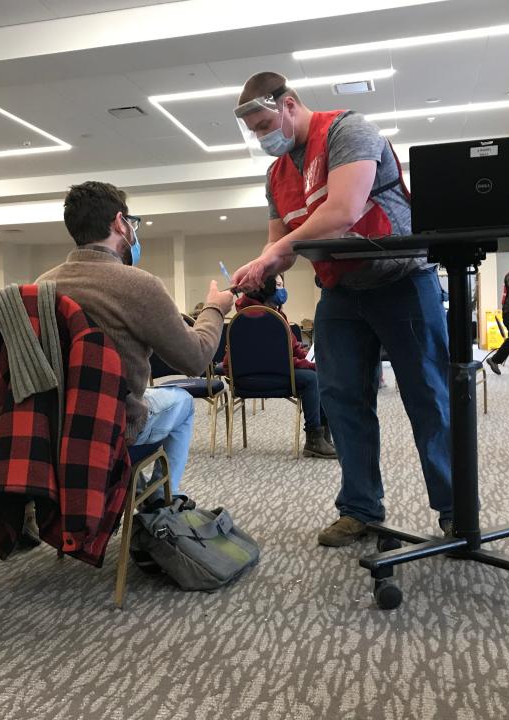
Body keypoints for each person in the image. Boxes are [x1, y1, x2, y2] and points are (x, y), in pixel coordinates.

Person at [230, 71, 453, 546]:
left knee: (428, 396)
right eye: (253, 131)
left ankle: (455, 510)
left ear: (289, 104)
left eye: (264, 123)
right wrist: (260, 269)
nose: (261, 136)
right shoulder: (276, 175)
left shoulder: (348, 131)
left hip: (401, 281)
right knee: (342, 399)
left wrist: (273, 253)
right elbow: (281, 244)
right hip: (341, 292)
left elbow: (343, 210)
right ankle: (360, 509)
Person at [39, 181, 235, 498]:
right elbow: (196, 361)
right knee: (183, 402)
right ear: (119, 223)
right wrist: (214, 308)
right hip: (116, 425)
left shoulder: (41, 286)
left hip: (53, 427)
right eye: (132, 222)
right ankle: (159, 506)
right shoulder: (139, 285)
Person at [229, 274, 336, 459]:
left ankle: (323, 438)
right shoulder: (263, 317)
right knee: (313, 378)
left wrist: (309, 359)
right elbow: (274, 359)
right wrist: (308, 365)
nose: (282, 290)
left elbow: (291, 348)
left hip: (248, 377)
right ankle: (315, 439)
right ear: (266, 288)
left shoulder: (261, 314)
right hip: (261, 376)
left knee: (318, 374)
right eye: (278, 285)